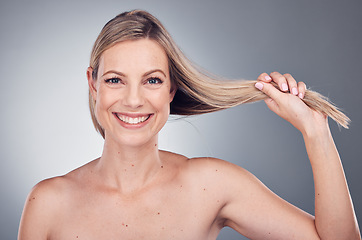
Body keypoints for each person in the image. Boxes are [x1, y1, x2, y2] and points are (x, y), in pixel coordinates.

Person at [18, 10, 360, 240]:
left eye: (151, 81)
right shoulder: (47, 203)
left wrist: (316, 133)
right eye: (114, 80)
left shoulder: (211, 185)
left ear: (171, 88)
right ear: (93, 85)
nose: (133, 100)